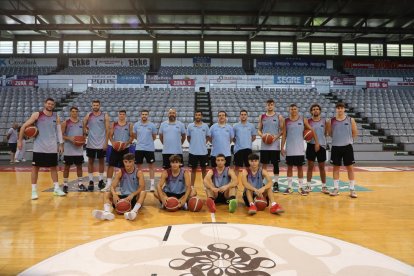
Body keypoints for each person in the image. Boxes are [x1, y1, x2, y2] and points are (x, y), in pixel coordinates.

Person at [17, 98, 66, 200]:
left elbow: (59, 132)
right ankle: (34, 191)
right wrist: (20, 140)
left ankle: (56, 189)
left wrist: (61, 144)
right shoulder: (37, 115)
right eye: (48, 103)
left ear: (54, 105)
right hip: (39, 147)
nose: (50, 105)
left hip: (52, 147)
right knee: (35, 168)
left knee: (53, 168)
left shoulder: (55, 116)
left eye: (52, 104)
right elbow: (23, 126)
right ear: (45, 104)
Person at [92, 153, 147, 221]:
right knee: (106, 193)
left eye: (130, 162)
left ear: (133, 161)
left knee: (143, 192)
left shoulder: (138, 172)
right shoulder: (120, 172)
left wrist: (132, 194)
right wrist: (114, 195)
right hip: (122, 198)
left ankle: (134, 212)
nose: (127, 164)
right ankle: (107, 213)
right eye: (125, 162)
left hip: (133, 198)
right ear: (123, 161)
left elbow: (142, 187)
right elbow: (112, 186)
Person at [281, 104, 319, 196]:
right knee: (289, 167)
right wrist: (281, 147)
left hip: (299, 148)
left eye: (295, 109)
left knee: (300, 168)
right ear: (289, 110)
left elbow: (312, 130)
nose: (293, 110)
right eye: (292, 109)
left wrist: (317, 142)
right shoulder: (286, 121)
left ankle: (300, 187)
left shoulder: (303, 119)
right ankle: (289, 187)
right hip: (290, 148)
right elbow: (284, 135)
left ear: (297, 110)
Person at [329, 102, 358, 198]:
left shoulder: (350, 119)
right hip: (336, 147)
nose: (340, 109)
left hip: (347, 147)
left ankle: (352, 189)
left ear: (344, 109)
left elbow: (354, 132)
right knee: (336, 168)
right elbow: (330, 133)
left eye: (341, 108)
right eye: (338, 108)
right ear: (336, 109)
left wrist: (347, 140)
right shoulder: (331, 120)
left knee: (350, 168)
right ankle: (336, 188)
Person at [101, 110, 134, 192]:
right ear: (118, 115)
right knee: (111, 165)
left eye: (123, 114)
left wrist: (126, 144)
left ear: (125, 116)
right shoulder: (114, 124)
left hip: (125, 148)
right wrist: (113, 143)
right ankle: (108, 184)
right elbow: (110, 135)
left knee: (124, 167)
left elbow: (132, 137)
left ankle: (123, 185)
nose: (122, 115)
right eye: (120, 114)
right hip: (115, 148)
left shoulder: (129, 125)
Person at [257, 99, 284, 192]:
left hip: (275, 145)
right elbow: (259, 130)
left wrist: (274, 138)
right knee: (264, 164)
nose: (270, 106)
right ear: (266, 106)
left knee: (275, 164)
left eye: (271, 104)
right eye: (268, 104)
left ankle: (276, 183)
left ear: (274, 105)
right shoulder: (262, 116)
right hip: (264, 145)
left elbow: (282, 130)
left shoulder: (279, 116)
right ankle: (263, 182)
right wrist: (263, 136)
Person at [83, 100, 110, 191]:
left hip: (101, 143)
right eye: (94, 105)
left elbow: (107, 130)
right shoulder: (88, 115)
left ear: (99, 105)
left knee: (101, 161)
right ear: (92, 106)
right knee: (90, 161)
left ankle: (101, 180)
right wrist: (86, 129)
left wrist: (106, 142)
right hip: (90, 143)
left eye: (97, 105)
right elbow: (83, 125)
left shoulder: (104, 115)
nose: (95, 106)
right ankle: (91, 181)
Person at [61, 106, 85, 192]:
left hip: (79, 149)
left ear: (78, 113)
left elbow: (84, 135)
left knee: (79, 167)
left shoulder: (82, 123)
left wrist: (83, 140)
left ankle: (80, 184)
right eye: (73, 111)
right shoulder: (65, 123)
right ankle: (65, 185)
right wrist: (69, 138)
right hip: (69, 149)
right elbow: (61, 135)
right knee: (66, 167)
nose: (74, 113)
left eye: (76, 111)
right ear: (70, 112)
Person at [306, 104, 329, 194]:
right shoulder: (308, 121)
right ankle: (308, 186)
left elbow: (326, 133)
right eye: (313, 109)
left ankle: (324, 186)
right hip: (311, 145)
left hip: (321, 146)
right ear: (311, 111)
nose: (315, 110)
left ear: (320, 111)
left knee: (322, 167)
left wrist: (320, 142)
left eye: (317, 109)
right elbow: (305, 134)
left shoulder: (324, 121)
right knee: (310, 167)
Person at [133, 110, 157, 191]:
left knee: (151, 167)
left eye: (146, 114)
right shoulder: (136, 125)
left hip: (149, 149)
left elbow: (154, 136)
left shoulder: (152, 125)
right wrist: (141, 141)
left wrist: (147, 142)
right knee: (139, 168)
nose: (144, 115)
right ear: (140, 115)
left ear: (148, 115)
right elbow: (135, 135)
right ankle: (140, 184)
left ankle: (152, 185)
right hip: (139, 148)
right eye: (143, 114)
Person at [187, 111, 211, 187]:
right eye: (196, 115)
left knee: (204, 170)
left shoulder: (205, 126)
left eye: (199, 115)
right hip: (193, 152)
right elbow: (188, 137)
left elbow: (208, 136)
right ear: (194, 116)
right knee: (193, 170)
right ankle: (192, 187)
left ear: (201, 116)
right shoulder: (190, 126)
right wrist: (194, 144)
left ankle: (205, 186)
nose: (198, 116)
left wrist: (203, 143)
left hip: (203, 152)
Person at [233, 110, 256, 175]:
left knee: (249, 167)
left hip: (248, 149)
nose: (243, 116)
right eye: (242, 114)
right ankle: (235, 183)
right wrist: (239, 143)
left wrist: (247, 142)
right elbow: (233, 138)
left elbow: (254, 137)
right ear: (240, 116)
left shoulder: (251, 126)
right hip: (238, 150)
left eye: (245, 114)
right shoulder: (235, 126)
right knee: (236, 167)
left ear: (247, 116)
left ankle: (249, 182)